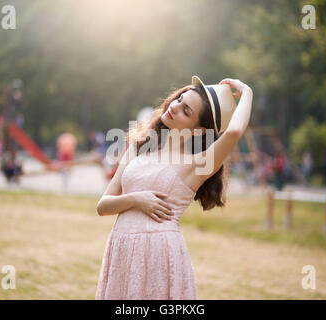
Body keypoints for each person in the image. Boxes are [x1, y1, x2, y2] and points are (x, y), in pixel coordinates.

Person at [95, 76, 253, 299]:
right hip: (121, 245)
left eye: (186, 111)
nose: (175, 106)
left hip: (158, 252)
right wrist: (136, 199)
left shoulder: (197, 164)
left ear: (199, 130)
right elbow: (103, 206)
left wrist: (247, 91)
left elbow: (234, 132)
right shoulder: (139, 147)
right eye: (179, 99)